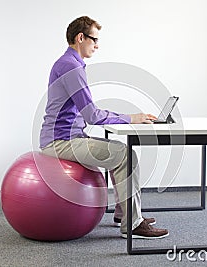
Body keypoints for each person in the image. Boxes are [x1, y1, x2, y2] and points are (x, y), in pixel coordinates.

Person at [39, 16, 169, 239]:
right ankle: (133, 224)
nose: (97, 45)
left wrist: (129, 118)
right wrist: (132, 118)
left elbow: (88, 112)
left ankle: (124, 214)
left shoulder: (70, 64)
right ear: (81, 38)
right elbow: (92, 115)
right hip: (59, 142)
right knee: (124, 155)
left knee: (121, 153)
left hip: (66, 138)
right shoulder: (71, 66)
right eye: (94, 40)